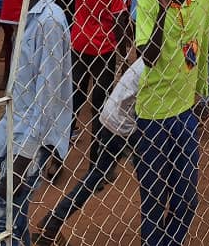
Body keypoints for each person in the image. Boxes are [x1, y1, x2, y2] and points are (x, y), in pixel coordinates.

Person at [134, 0, 209, 246]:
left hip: (186, 114)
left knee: (187, 198)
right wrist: (163, 10)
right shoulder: (148, 2)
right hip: (152, 115)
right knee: (153, 199)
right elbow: (148, 56)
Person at [0, 0, 73, 244]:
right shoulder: (34, 15)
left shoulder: (49, 21)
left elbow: (48, 96)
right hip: (17, 129)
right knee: (14, 218)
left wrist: (24, 156)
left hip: (28, 140)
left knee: (2, 221)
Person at [35, 58, 145, 245]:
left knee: (97, 175)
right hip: (124, 124)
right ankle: (155, 235)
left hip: (112, 118)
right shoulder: (156, 59)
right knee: (152, 179)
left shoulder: (148, 58)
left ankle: (52, 223)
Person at [66, 0, 130, 160]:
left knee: (75, 97)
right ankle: (96, 160)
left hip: (79, 42)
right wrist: (123, 53)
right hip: (104, 47)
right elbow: (119, 17)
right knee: (100, 103)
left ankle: (58, 158)